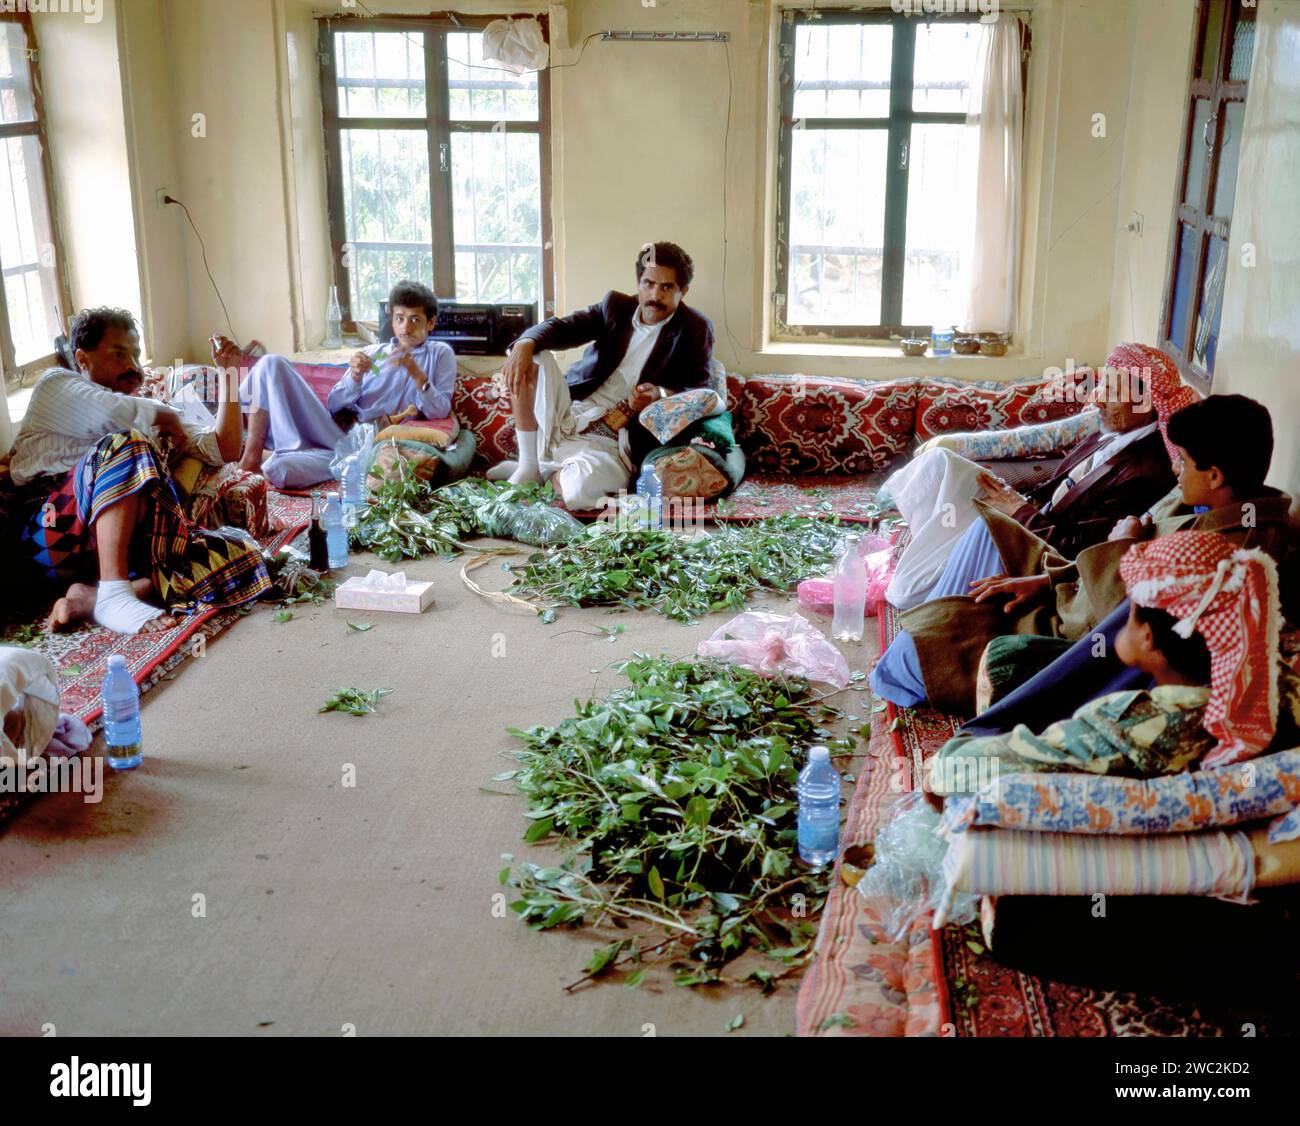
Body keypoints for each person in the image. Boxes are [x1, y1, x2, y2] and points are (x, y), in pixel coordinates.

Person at [872, 392, 1287, 714]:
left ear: (1214, 475)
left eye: (1182, 460)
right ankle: (935, 618)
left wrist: (1124, 544)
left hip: (1075, 633)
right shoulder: (1202, 501)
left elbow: (1130, 627)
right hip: (1068, 589)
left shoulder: (1232, 550)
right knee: (983, 540)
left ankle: (934, 629)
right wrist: (1046, 580)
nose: (1175, 469)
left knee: (903, 667)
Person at [930, 531, 1298, 796]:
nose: (1122, 614)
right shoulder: (1276, 691)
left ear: (1149, 636)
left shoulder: (1132, 730)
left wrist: (942, 764)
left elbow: (956, 766)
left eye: (1130, 608)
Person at [6, 307, 271, 635]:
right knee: (126, 444)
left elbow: (223, 449)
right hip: (50, 533)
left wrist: (229, 374)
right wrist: (163, 418)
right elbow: (114, 413)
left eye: (135, 355)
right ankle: (117, 593)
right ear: (82, 358)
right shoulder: (57, 385)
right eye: (118, 354)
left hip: (119, 549)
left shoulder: (149, 411)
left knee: (241, 553)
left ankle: (94, 597)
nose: (132, 366)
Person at [883, 343, 1191, 612]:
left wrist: (1017, 511)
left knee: (906, 591)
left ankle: (930, 589)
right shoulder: (1114, 428)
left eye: (1110, 392)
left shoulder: (1144, 474)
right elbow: (1062, 482)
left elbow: (1076, 551)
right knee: (940, 463)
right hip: (1031, 514)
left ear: (1147, 403)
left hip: (1035, 548)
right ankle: (935, 559)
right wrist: (1017, 500)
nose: (1097, 399)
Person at [490, 241, 715, 509]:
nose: (655, 295)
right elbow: (564, 328)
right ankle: (528, 464)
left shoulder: (695, 329)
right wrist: (525, 342)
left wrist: (659, 394)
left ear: (683, 291)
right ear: (639, 282)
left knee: (579, 494)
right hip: (573, 413)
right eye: (648, 283)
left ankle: (539, 470)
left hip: (615, 440)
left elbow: (699, 392)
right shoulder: (616, 306)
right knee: (534, 355)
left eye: (667, 288)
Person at [238, 279, 456, 489]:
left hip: (363, 449)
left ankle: (277, 453)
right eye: (400, 318)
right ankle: (253, 455)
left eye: (414, 319)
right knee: (271, 363)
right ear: (392, 320)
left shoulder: (439, 354)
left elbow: (440, 410)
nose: (405, 328)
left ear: (431, 322)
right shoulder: (373, 352)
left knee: (279, 469)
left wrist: (417, 374)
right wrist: (354, 378)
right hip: (333, 432)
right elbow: (334, 405)